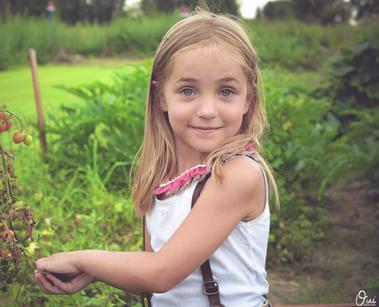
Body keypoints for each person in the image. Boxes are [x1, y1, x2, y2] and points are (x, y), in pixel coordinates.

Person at [34, 7, 280, 307]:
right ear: (161, 97)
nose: (207, 110)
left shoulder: (237, 174)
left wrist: (82, 260)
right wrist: (96, 273)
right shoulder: (163, 175)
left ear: (248, 100)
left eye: (226, 91)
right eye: (188, 90)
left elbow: (161, 273)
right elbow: (155, 266)